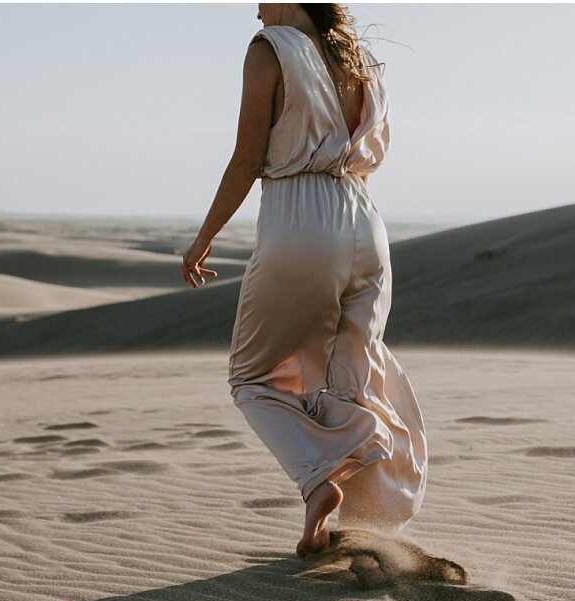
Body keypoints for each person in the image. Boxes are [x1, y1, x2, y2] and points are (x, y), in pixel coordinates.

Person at [181, 3, 427, 558]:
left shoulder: (270, 50)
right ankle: (365, 524)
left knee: (252, 377)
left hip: (301, 221)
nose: (254, 9)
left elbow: (246, 159)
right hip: (366, 222)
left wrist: (204, 238)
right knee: (352, 377)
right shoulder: (359, 57)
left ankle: (318, 481)